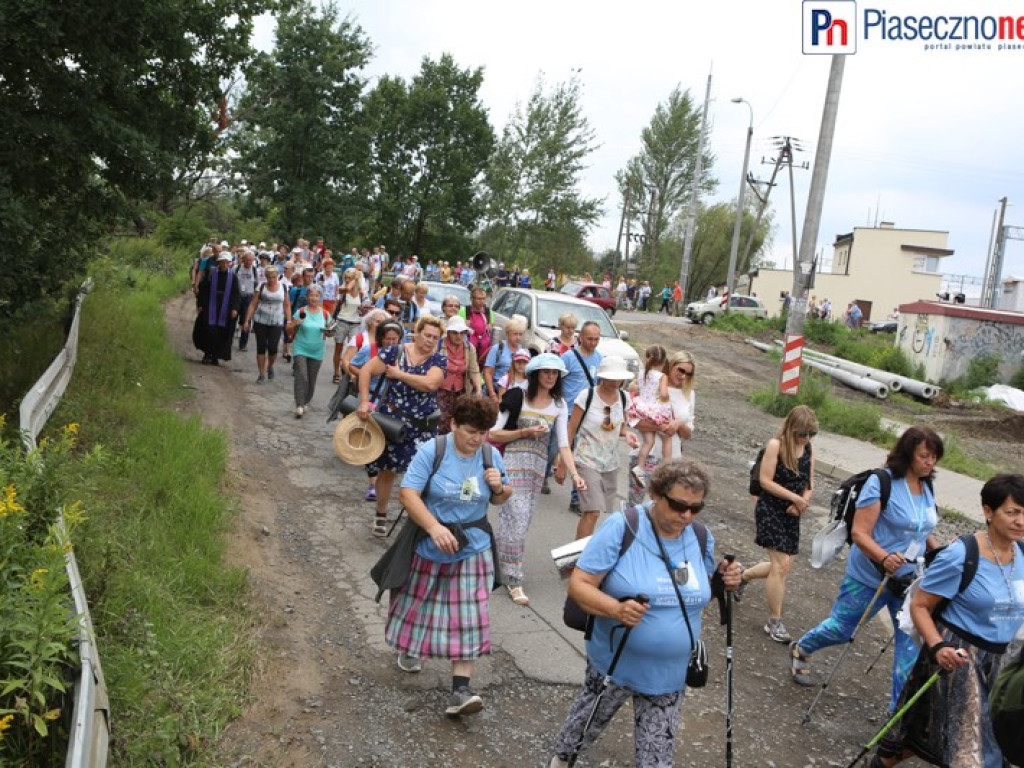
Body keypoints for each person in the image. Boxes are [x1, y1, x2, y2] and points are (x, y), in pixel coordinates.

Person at [548, 460, 742, 767]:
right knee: (582, 729)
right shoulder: (623, 526)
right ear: (656, 494)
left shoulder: (700, 536)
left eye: (696, 508)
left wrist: (725, 580)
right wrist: (616, 609)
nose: (686, 516)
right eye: (679, 505)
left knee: (656, 758)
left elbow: (701, 590)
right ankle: (561, 760)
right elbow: (579, 584)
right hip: (616, 660)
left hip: (670, 671)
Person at [873, 474, 1024, 768]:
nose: (1021, 520)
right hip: (958, 656)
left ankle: (886, 760)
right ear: (988, 511)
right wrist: (937, 645)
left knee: (934, 730)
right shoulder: (961, 555)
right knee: (971, 751)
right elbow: (919, 605)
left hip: (1002, 658)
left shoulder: (1023, 554)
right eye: (1013, 512)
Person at [790, 427, 944, 710]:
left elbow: (922, 529)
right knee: (839, 629)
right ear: (909, 454)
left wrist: (940, 550)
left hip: (910, 583)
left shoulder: (927, 486)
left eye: (934, 457)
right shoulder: (881, 482)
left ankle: (896, 718)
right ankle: (803, 647)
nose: (930, 463)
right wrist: (884, 558)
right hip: (870, 576)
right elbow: (860, 533)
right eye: (925, 456)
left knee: (910, 649)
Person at [379, 396, 513, 715]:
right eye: (470, 431)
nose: (476, 439)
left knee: (470, 614)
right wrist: (435, 527)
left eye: (483, 432)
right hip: (430, 543)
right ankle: (411, 648)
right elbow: (408, 493)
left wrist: (500, 488)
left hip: (473, 546)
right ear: (453, 424)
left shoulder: (489, 455)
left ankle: (461, 691)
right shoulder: (434, 451)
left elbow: (501, 498)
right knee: (417, 604)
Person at [489, 353, 585, 606]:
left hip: (537, 469)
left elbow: (564, 444)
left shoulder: (559, 404)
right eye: (546, 372)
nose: (551, 377)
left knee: (516, 521)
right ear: (535, 374)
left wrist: (575, 474)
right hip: (511, 462)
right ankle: (513, 578)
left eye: (555, 373)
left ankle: (495, 564)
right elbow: (494, 433)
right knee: (517, 518)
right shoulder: (517, 395)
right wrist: (525, 431)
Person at [357, 316, 446, 537]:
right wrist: (364, 401)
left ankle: (417, 521)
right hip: (392, 422)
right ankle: (381, 513)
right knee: (387, 470)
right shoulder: (394, 352)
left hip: (422, 426)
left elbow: (431, 383)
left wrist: (398, 375)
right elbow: (366, 371)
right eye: (427, 335)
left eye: (435, 338)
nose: (430, 341)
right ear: (416, 332)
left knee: (424, 475)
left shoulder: (438, 360)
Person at [740, 405, 818, 643]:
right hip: (771, 508)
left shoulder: (808, 448)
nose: (805, 439)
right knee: (780, 565)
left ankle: (743, 577)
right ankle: (775, 621)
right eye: (801, 434)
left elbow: (810, 484)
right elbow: (765, 481)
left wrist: (802, 501)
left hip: (792, 513)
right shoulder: (776, 445)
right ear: (790, 429)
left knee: (782, 567)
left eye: (810, 434)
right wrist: (792, 497)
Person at [564, 356, 640, 540]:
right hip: (586, 459)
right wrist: (562, 464)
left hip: (610, 463)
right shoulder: (587, 396)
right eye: (611, 377)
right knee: (592, 512)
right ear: (602, 376)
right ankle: (578, 559)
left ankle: (582, 552)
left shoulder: (623, 397)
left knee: (598, 513)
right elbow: (570, 430)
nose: (616, 382)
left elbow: (619, 427)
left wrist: (627, 434)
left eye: (619, 378)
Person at [345, 315, 404, 502]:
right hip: (372, 400)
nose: (391, 342)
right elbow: (353, 365)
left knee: (387, 444)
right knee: (370, 441)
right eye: (388, 338)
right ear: (380, 338)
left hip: (392, 404)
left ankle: (382, 481)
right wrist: (365, 377)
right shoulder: (370, 350)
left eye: (395, 339)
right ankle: (372, 484)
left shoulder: (402, 355)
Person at [560, 321, 603, 514]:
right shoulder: (568, 357)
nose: (593, 343)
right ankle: (545, 473)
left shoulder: (600, 359)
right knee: (557, 446)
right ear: (581, 337)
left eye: (596, 339)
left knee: (582, 456)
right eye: (590, 339)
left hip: (589, 415)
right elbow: (556, 382)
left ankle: (576, 498)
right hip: (568, 412)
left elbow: (604, 390)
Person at [627, 345, 674, 482]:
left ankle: (640, 468)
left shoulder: (642, 373)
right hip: (653, 410)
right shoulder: (662, 376)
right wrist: (665, 397)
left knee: (649, 441)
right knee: (666, 433)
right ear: (664, 361)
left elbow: (638, 388)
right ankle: (667, 467)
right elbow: (664, 394)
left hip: (640, 408)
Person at [286, 284, 329, 419]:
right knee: (302, 375)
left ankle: (305, 402)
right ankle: (299, 404)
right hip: (300, 348)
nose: (314, 298)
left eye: (316, 296)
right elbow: (289, 329)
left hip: (317, 350)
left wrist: (331, 332)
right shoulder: (301, 311)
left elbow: (330, 331)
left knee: (311, 379)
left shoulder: (325, 314)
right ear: (307, 297)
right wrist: (295, 323)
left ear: (320, 297)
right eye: (311, 295)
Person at [242, 265, 290, 384]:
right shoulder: (261, 286)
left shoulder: (283, 287)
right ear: (266, 277)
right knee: (261, 347)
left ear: (277, 276)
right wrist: (247, 320)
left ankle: (270, 366)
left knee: (273, 348)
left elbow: (287, 305)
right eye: (269, 277)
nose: (271, 280)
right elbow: (253, 304)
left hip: (276, 321)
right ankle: (261, 374)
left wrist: (288, 320)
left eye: (273, 277)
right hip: (261, 320)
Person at [194, 252, 241, 365]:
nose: (224, 264)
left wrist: (234, 308)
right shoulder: (211, 275)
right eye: (222, 262)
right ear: (218, 263)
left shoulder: (233, 277)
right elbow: (203, 290)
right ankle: (207, 354)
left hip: (225, 310)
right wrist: (200, 305)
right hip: (210, 307)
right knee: (208, 331)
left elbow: (236, 294)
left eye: (226, 262)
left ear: (229, 263)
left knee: (221, 333)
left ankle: (215, 356)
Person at [437, 316, 481, 434]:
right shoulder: (439, 345)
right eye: (455, 333)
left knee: (457, 421)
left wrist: (478, 389)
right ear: (449, 333)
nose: (459, 336)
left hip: (460, 391)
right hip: (440, 390)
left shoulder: (469, 348)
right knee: (440, 422)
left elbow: (474, 370)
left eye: (462, 333)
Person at [331, 267, 365, 384]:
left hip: (355, 323)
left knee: (353, 349)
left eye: (349, 278)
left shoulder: (361, 292)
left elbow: (364, 307)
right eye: (346, 277)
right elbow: (341, 292)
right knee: (338, 347)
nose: (347, 280)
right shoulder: (343, 290)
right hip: (342, 321)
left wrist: (363, 309)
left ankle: (345, 367)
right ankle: (336, 372)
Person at [483, 315, 525, 402]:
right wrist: (492, 394)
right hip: (496, 389)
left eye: (520, 334)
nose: (518, 337)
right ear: (507, 334)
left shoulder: (523, 352)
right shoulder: (497, 348)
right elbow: (487, 372)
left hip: (514, 392)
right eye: (515, 334)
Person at [459, 286, 494, 365]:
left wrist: (490, 326)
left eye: (483, 299)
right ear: (472, 299)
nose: (482, 301)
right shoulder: (464, 311)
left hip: (484, 349)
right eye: (479, 299)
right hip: (468, 348)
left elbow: (491, 327)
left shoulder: (488, 312)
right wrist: (463, 324)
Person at [235, 249, 259, 352]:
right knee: (233, 318)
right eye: (247, 260)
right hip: (237, 296)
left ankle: (243, 344)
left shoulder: (254, 270)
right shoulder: (237, 269)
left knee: (247, 320)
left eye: (251, 260)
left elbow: (256, 284)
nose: (249, 262)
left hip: (249, 297)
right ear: (243, 260)